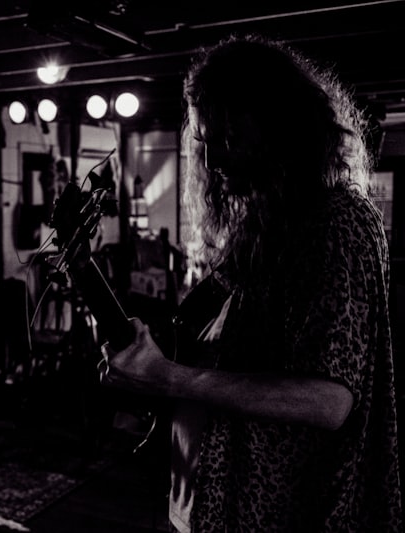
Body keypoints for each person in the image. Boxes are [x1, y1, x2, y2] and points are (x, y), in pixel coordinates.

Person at [100, 34, 402, 531]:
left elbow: (328, 401)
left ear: (281, 130)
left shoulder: (334, 223)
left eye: (230, 138)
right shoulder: (271, 223)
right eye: (205, 141)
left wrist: (167, 377)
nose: (214, 162)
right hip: (222, 498)